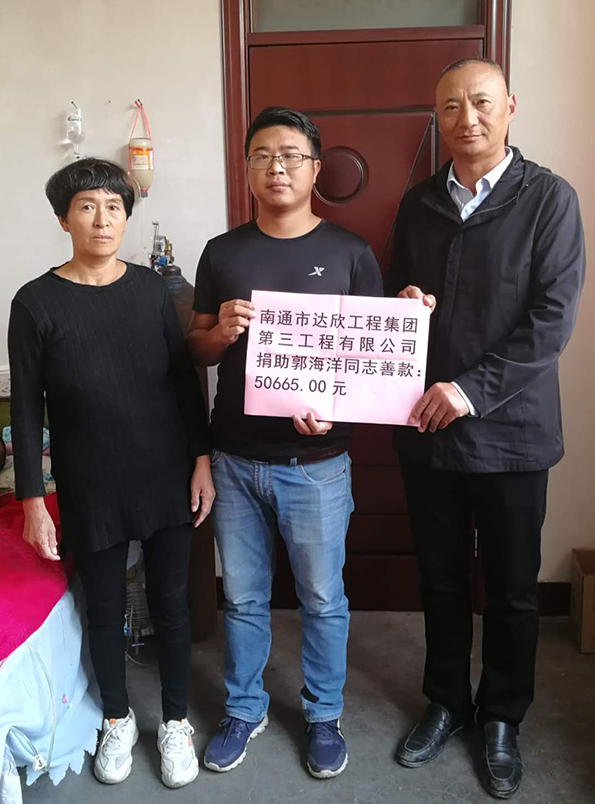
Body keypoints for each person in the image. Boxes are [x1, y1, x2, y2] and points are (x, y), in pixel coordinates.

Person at [386, 58, 585, 799]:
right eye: (449, 107)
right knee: (439, 580)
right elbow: (393, 298)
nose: (465, 118)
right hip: (426, 431)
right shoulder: (417, 204)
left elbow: (551, 321)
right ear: (436, 117)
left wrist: (469, 391)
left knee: (511, 589)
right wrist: (404, 303)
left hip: (513, 435)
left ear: (509, 107)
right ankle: (446, 702)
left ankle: (502, 716)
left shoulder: (550, 199)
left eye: (479, 102)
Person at [187, 107, 382, 779]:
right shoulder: (223, 252)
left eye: (291, 155)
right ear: (247, 170)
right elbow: (196, 347)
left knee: (322, 598)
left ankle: (324, 714)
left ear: (315, 169)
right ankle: (245, 708)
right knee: (243, 597)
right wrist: (221, 332)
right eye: (262, 155)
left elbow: (371, 366)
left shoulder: (352, 253)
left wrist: (335, 415)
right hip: (235, 460)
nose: (277, 167)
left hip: (317, 465)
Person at [8, 158, 214, 789]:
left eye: (114, 207)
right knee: (103, 610)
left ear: (127, 217)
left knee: (171, 605)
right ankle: (117, 718)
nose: (102, 219)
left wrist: (201, 459)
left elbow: (184, 382)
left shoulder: (152, 291)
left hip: (165, 472)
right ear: (63, 219)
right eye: (88, 207)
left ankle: (175, 722)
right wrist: (33, 501)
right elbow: (25, 407)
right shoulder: (35, 302)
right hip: (89, 480)